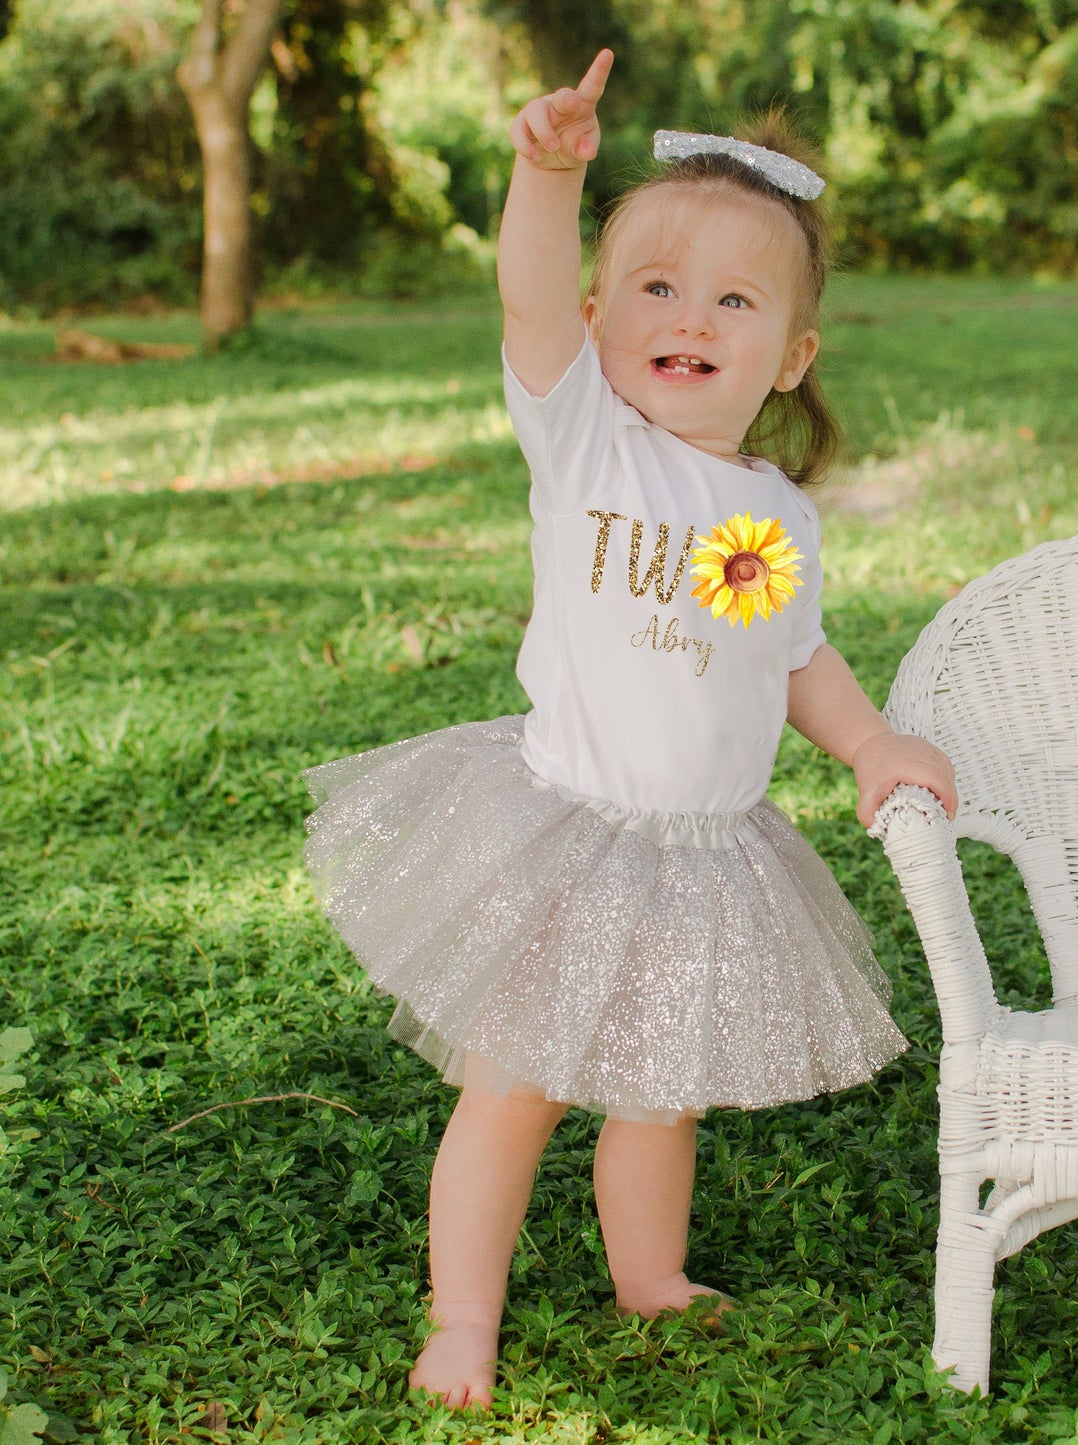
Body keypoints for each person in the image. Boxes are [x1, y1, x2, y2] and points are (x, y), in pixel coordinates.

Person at [299, 47, 957, 1413]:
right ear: (599, 316)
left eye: (734, 298)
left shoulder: (774, 510)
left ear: (792, 354)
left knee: (661, 1095)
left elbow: (789, 654)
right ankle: (462, 1317)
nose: (692, 317)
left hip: (702, 854)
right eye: (655, 286)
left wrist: (868, 742)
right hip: (564, 832)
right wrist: (548, 177)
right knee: (517, 1088)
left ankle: (647, 1274)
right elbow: (525, 295)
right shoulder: (585, 436)